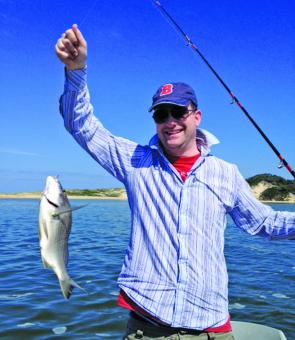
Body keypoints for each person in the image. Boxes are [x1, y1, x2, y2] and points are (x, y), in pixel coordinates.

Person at [55, 24, 295, 340]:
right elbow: (81, 125)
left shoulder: (226, 173)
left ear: (196, 116)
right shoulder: (134, 161)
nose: (170, 121)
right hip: (148, 326)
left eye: (178, 111)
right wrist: (76, 70)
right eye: (161, 114)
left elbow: (265, 223)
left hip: (211, 327)